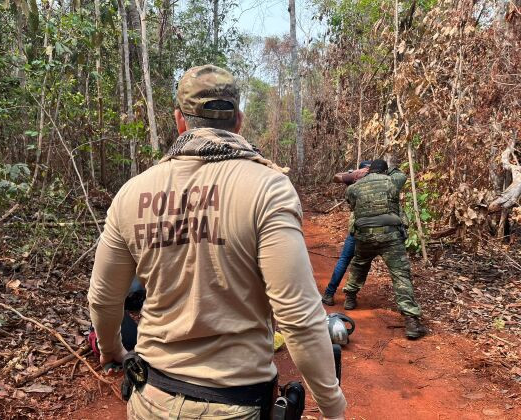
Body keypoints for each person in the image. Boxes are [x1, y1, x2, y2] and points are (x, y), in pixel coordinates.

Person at [88, 65, 346, 419]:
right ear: (238, 120)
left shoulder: (132, 194)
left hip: (151, 398)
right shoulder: (267, 187)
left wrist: (112, 349)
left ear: (180, 121)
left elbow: (103, 298)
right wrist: (333, 407)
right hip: (235, 405)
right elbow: (298, 318)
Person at [342, 159, 427, 339]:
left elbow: (352, 205)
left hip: (364, 235)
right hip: (390, 237)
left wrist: (360, 175)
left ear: (368, 171)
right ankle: (411, 322)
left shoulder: (354, 188)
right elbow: (401, 175)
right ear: (385, 171)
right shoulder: (392, 180)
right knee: (400, 275)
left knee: (359, 264)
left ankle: (350, 297)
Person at [322, 161, 372, 306]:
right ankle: (349, 297)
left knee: (345, 259)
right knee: (360, 263)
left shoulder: (356, 178)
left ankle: (330, 293)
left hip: (357, 225)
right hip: (373, 227)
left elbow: (336, 177)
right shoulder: (378, 176)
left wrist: (353, 174)